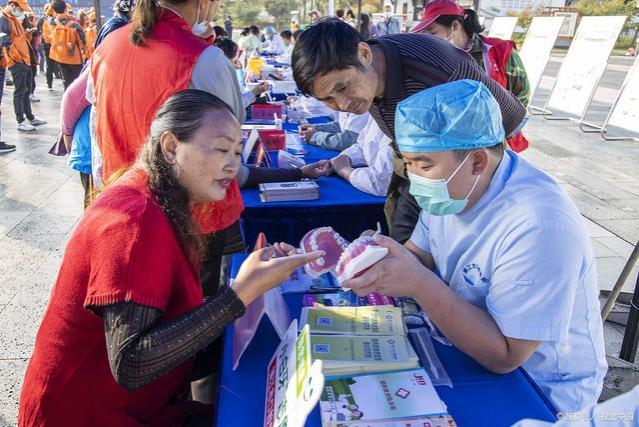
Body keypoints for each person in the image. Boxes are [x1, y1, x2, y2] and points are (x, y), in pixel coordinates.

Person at [18, 89, 325, 426]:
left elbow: (172, 323)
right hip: (85, 413)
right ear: (170, 147)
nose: (232, 165)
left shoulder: (162, 200)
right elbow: (132, 364)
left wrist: (253, 288)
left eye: (238, 152)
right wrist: (240, 293)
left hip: (139, 405)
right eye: (221, 149)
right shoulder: (134, 221)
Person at [342, 80, 607, 413]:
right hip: (463, 344)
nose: (416, 179)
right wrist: (377, 260)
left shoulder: (538, 223)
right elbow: (418, 255)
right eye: (408, 164)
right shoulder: (453, 187)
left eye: (423, 166)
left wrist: (419, 284)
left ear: (478, 161)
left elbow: (506, 356)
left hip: (541, 391)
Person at [292, 18, 526, 243]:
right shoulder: (368, 70)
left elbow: (452, 168)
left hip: (474, 149)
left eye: (343, 87)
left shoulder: (428, 80)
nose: (343, 104)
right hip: (429, 153)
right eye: (328, 99)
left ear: (364, 54)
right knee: (409, 233)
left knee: (450, 234)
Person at [90, 0, 246, 301]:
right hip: (190, 216)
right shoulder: (203, 57)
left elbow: (98, 126)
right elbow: (231, 131)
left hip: (124, 204)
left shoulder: (107, 45)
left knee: (142, 303)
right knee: (192, 314)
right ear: (204, 3)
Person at [412, 0, 531, 152]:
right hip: (451, 146)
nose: (428, 39)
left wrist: (497, 130)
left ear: (455, 26)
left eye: (432, 32)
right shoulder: (433, 57)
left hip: (498, 142)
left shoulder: (497, 51)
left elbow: (521, 93)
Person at [0, 0, 47, 132]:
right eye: (20, 9)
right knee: (20, 91)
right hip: (17, 61)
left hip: (24, 59)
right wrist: (17, 59)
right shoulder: (3, 19)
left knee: (26, 90)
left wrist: (27, 33)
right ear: (13, 5)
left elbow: (18, 39)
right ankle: (20, 121)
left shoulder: (13, 20)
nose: (22, 12)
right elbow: (6, 43)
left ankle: (30, 117)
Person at [329, 115, 393, 196]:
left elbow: (381, 182)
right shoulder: (376, 111)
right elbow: (364, 145)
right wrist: (344, 158)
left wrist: (344, 170)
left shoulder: (397, 119)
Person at [49, 0, 87, 90]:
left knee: (67, 83)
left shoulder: (52, 23)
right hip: (75, 59)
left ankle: (68, 102)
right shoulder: (74, 25)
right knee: (79, 83)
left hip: (60, 57)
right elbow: (83, 43)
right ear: (66, 9)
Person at [299, 111, 369, 151]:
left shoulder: (360, 106)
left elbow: (347, 141)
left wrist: (314, 136)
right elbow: (343, 125)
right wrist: (316, 128)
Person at [38, 3, 58, 90]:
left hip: (49, 44)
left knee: (50, 65)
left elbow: (39, 31)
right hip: (50, 44)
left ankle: (50, 83)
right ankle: (50, 83)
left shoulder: (44, 19)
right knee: (51, 64)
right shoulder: (53, 19)